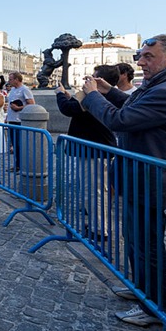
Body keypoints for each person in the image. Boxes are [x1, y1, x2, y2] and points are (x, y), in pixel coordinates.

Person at [82, 34, 166, 327]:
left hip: (149, 179)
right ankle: (142, 291)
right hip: (140, 176)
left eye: (149, 56)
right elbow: (131, 106)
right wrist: (109, 89)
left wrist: (91, 96)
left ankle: (154, 306)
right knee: (136, 239)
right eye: (140, 55)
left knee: (146, 243)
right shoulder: (163, 84)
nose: (140, 62)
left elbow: (120, 120)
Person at [56, 64, 118, 242]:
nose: (89, 79)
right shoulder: (97, 96)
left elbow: (69, 109)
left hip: (95, 149)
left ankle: (99, 229)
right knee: (92, 189)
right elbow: (75, 107)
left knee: (95, 190)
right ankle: (95, 223)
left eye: (94, 76)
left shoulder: (96, 96)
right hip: (94, 147)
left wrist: (60, 93)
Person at [5, 72, 35, 171]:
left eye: (11, 79)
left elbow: (32, 104)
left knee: (19, 144)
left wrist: (19, 108)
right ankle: (18, 164)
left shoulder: (25, 90)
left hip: (19, 120)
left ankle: (22, 165)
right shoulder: (13, 90)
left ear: (17, 80)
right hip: (11, 120)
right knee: (14, 144)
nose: (9, 81)